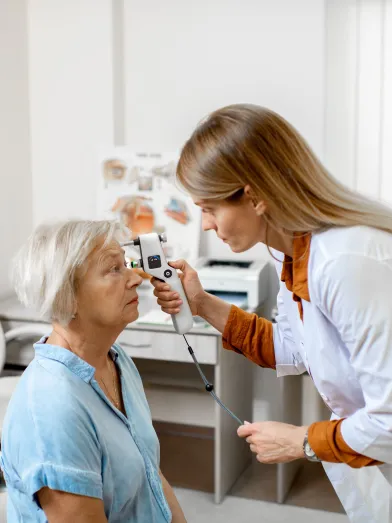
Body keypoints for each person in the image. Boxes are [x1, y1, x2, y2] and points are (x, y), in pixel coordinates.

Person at [152, 104, 392, 523]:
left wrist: (301, 441)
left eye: (209, 208)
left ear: (254, 195)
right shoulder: (295, 250)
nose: (205, 224)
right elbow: (294, 350)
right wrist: (202, 303)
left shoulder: (346, 261)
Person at [1, 220, 186, 523]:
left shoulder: (116, 360)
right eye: (114, 269)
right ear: (66, 295)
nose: (135, 279)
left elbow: (151, 474)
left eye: (126, 265)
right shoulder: (54, 408)